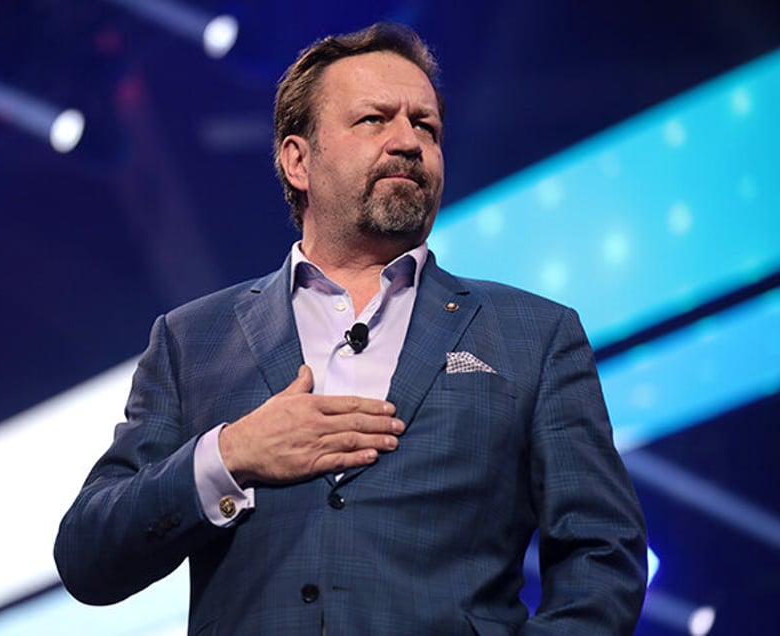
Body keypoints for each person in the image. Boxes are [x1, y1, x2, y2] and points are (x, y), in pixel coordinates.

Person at [55, 22, 647, 635]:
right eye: (373, 120)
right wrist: (230, 456)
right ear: (298, 160)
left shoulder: (534, 335)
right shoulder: (192, 340)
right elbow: (88, 556)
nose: (408, 142)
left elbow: (602, 556)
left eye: (426, 126)